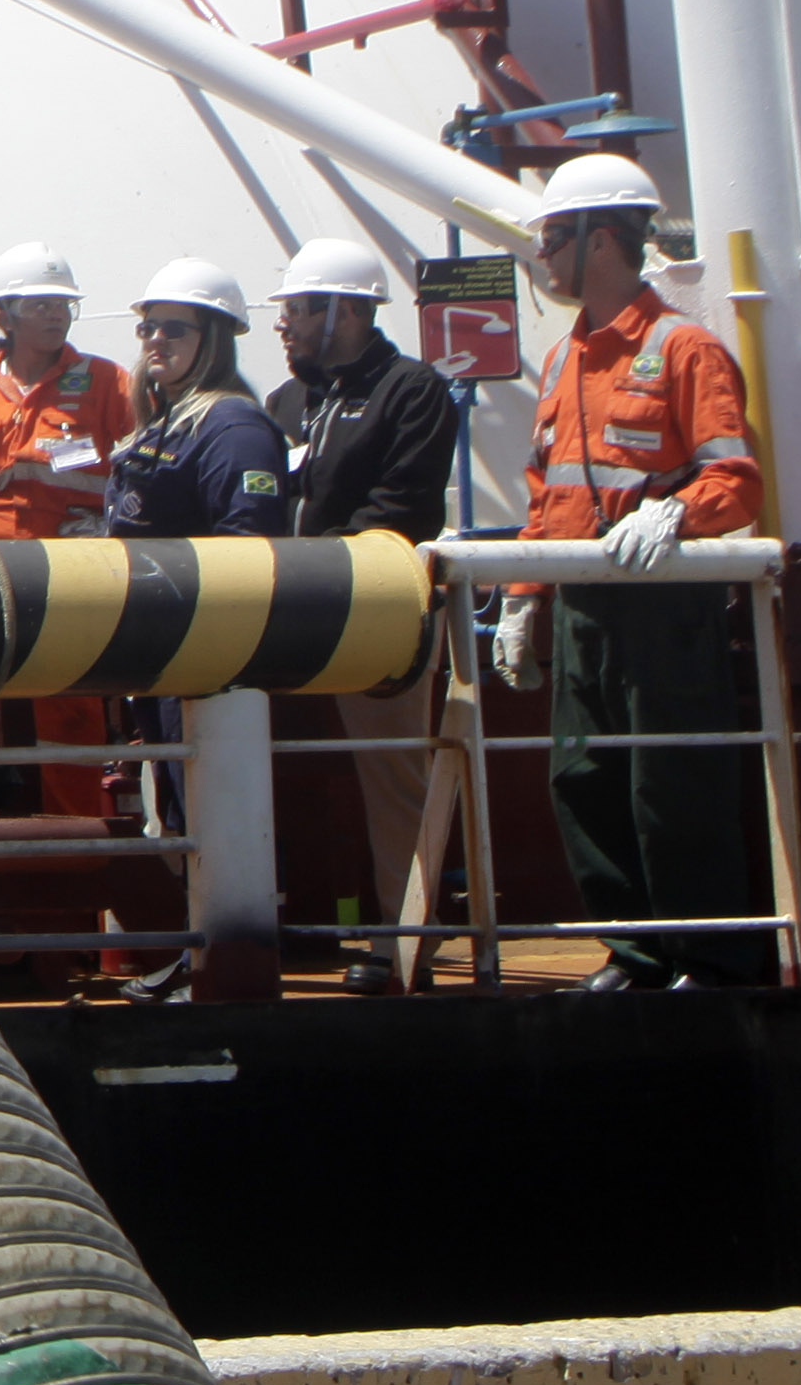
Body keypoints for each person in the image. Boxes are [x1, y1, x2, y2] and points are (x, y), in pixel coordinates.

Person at [500, 151, 760, 990]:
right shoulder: (562, 360)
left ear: (601, 240)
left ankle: (710, 959)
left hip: (663, 612)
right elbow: (549, 499)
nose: (542, 257)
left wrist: (677, 512)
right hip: (583, 608)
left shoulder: (686, 350)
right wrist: (522, 599)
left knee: (671, 784)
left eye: (552, 238)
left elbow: (735, 479)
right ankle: (638, 952)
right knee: (583, 780)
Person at [266, 234, 467, 986]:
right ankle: (266, 926)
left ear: (342, 310)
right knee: (257, 762)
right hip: (289, 607)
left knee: (393, 776)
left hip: (376, 611)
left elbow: (404, 507)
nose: (282, 325)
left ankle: (401, 937)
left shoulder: (412, 391)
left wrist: (318, 565)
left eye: (295, 309)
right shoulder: (289, 401)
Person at [0, 240, 140, 814]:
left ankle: (81, 840)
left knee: (71, 710)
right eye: (40, 303)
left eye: (62, 303)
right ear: (5, 315)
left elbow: (138, 476)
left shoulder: (107, 383)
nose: (55, 313)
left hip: (77, 578)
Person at [106, 260, 289, 541]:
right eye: (148, 328)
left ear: (214, 339)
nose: (156, 339)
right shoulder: (164, 423)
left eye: (174, 329)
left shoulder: (237, 430)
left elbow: (248, 549)